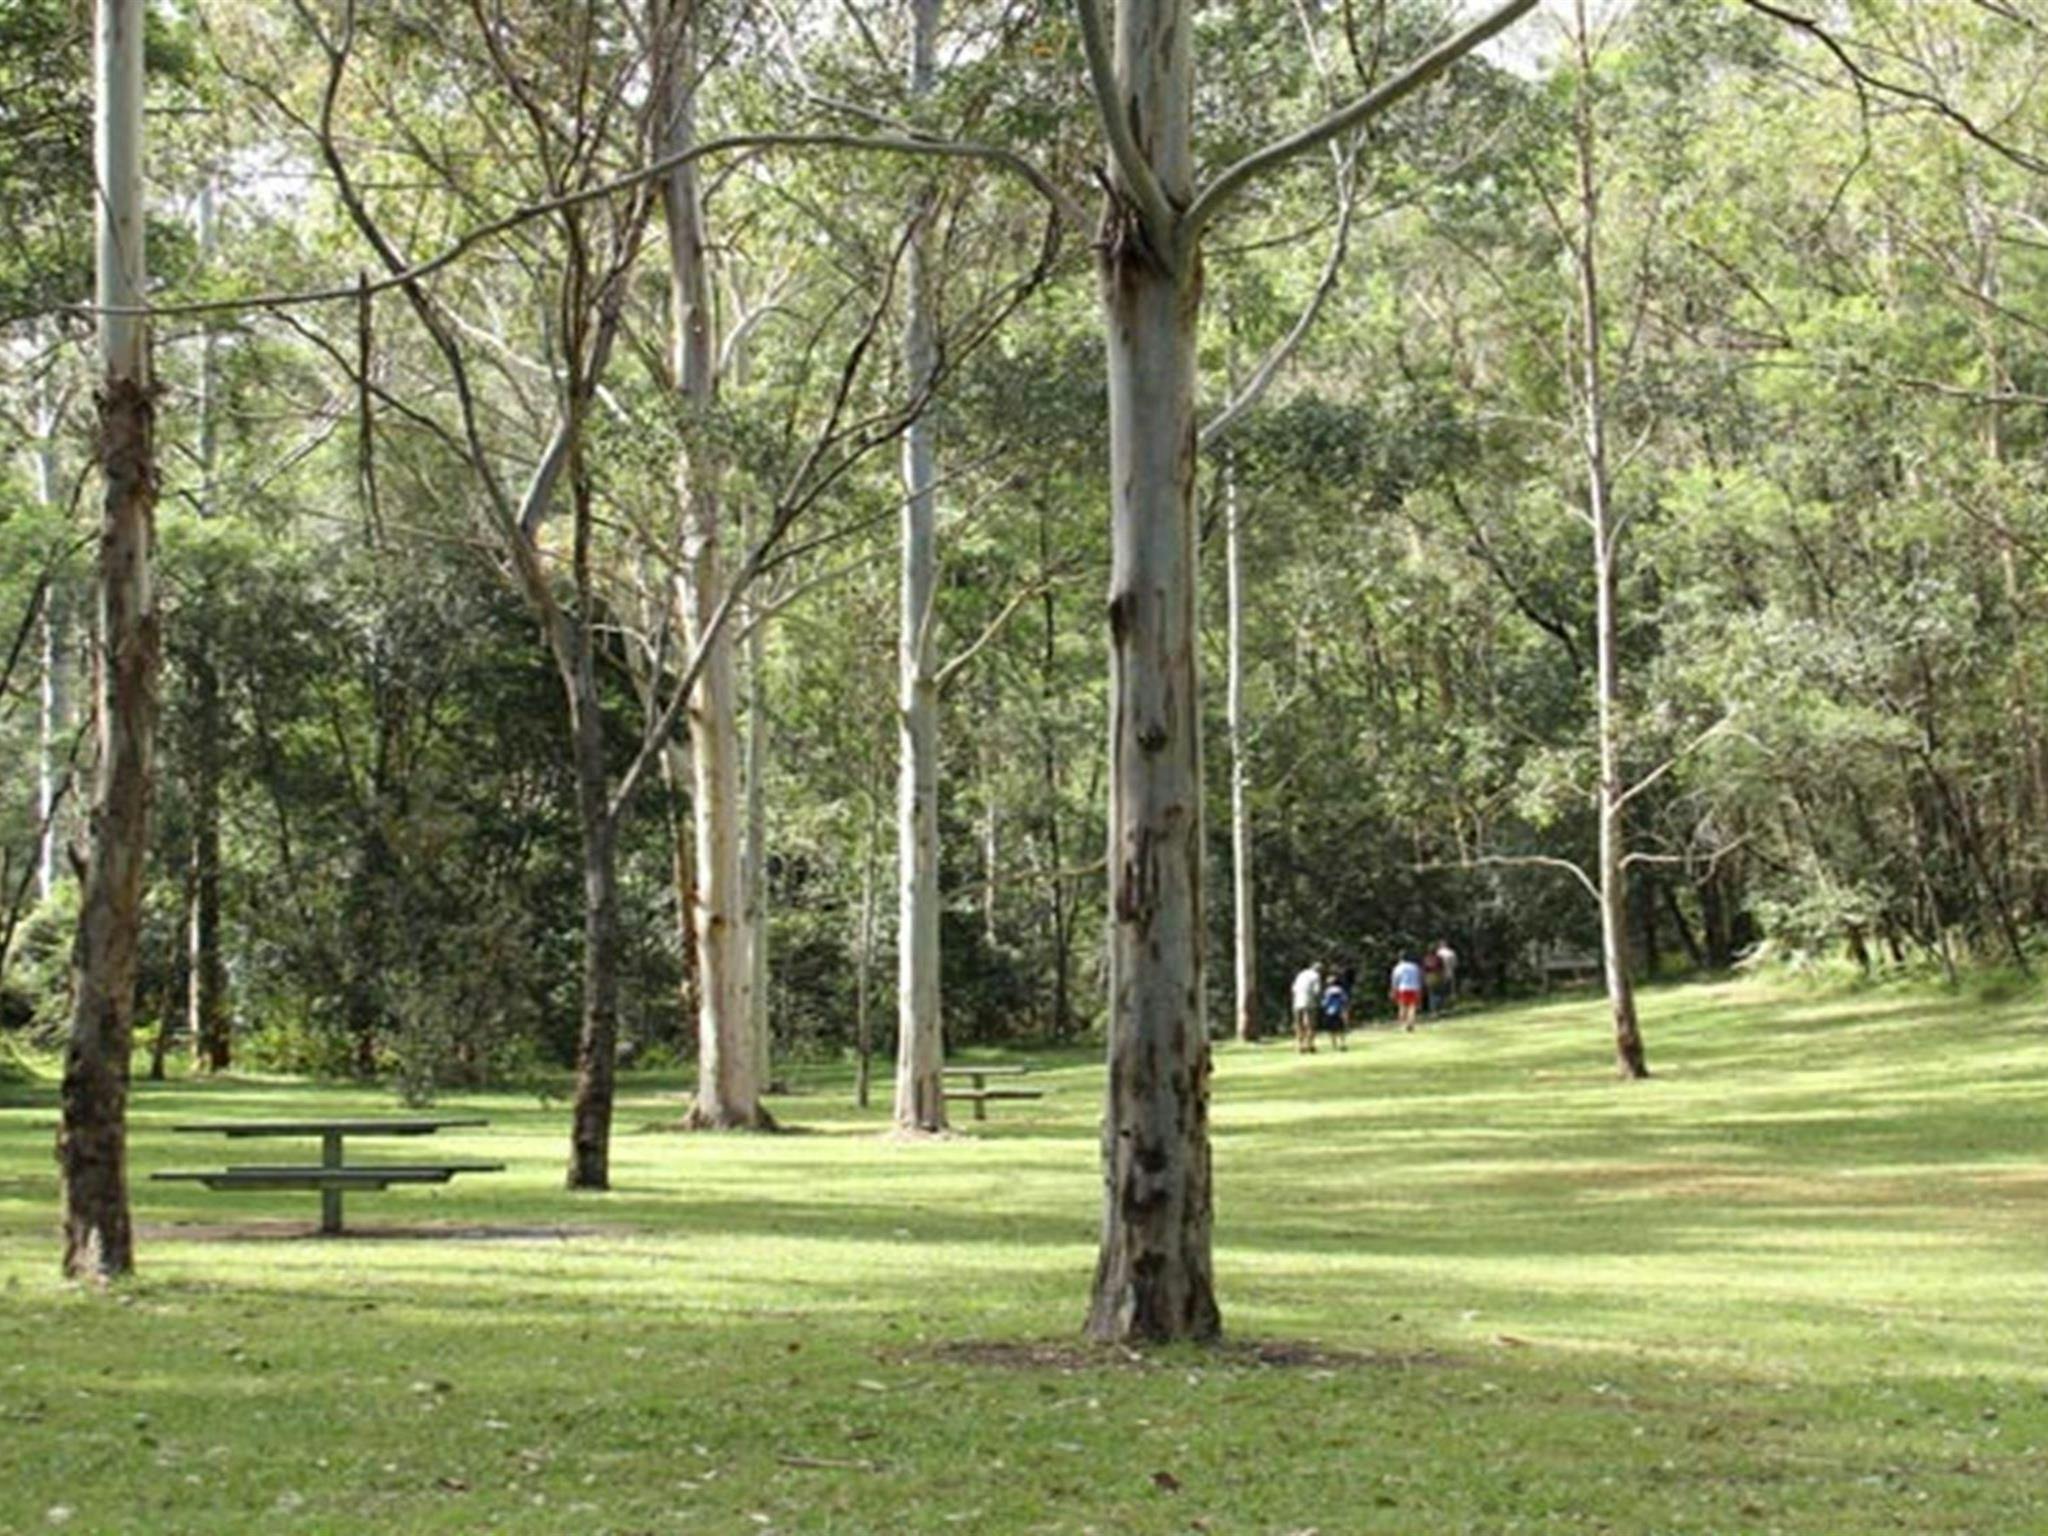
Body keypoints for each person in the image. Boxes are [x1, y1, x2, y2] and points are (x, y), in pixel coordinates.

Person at [1290, 960, 1325, 1054]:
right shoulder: (1315, 976)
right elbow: (1317, 990)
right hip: (1309, 1002)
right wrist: (1320, 1000)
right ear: (1319, 970)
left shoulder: (1301, 974)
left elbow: (1294, 988)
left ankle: (1300, 1045)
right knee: (1310, 1024)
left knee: (1299, 1024)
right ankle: (1310, 1045)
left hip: (1297, 1002)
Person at [1389, 953, 1424, 1031]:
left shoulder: (1398, 967)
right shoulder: (1415, 966)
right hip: (1414, 988)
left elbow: (1395, 980)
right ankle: (1411, 1024)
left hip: (1403, 988)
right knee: (1412, 1006)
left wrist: (1393, 990)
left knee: (1402, 1006)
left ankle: (1403, 1024)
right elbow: (1419, 978)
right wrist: (1419, 989)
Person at [1318, 973, 1351, 1051]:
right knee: (1340, 1029)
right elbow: (1345, 1000)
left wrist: (1322, 1005)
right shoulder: (1340, 990)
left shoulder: (1327, 991)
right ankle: (1342, 1044)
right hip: (1339, 1011)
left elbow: (1325, 1003)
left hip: (1330, 1012)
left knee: (1332, 1030)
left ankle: (1334, 1045)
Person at [1434, 938, 1459, 1014]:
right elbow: (1455, 964)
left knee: (1441, 992)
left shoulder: (1437, 953)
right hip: (1450, 974)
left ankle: (1440, 1008)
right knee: (1451, 991)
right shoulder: (1451, 953)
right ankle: (1451, 1007)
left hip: (1439, 975)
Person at [1422, 944, 1446, 1016]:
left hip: (1429, 978)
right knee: (1440, 994)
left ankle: (1434, 1011)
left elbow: (1424, 970)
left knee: (1432, 995)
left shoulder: (1426, 959)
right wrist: (1443, 977)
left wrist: (1424, 979)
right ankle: (1440, 1009)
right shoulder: (1439, 958)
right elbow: (1442, 968)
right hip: (1438, 976)